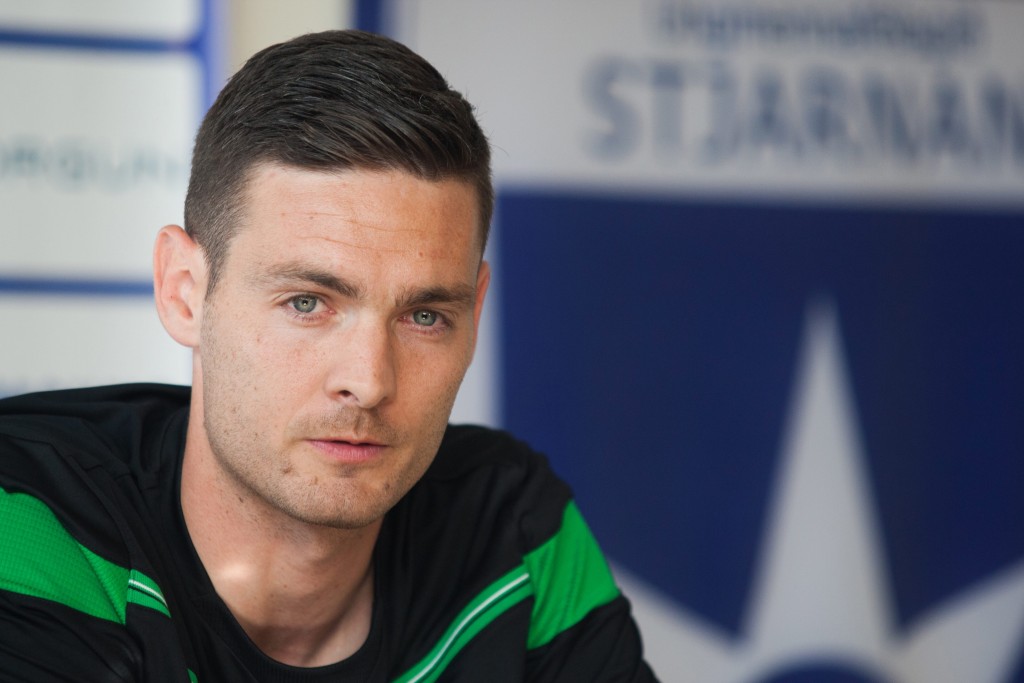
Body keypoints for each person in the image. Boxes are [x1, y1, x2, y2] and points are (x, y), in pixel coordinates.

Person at [0, 30, 657, 682]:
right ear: (184, 292)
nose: (368, 381)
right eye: (308, 303)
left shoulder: (511, 536)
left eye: (425, 316)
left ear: (476, 314)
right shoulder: (30, 518)